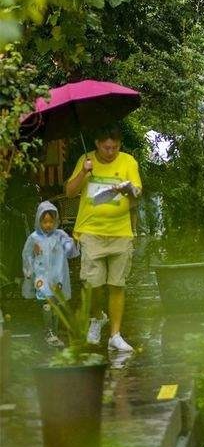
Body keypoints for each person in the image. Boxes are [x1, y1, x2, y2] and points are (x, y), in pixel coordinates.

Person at [65, 124, 142, 353]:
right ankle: (98, 317)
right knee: (92, 284)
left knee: (117, 284)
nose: (111, 152)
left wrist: (128, 189)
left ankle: (115, 335)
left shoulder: (128, 161)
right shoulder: (85, 160)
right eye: (107, 147)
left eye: (115, 147)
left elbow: (138, 192)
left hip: (120, 231)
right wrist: (84, 172)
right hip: (91, 231)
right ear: (98, 144)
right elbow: (69, 191)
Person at [22, 201, 79, 346]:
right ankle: (48, 331)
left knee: (56, 303)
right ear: (39, 221)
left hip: (57, 277)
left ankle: (53, 330)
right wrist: (28, 270)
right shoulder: (34, 238)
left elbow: (70, 250)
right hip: (41, 278)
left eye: (51, 221)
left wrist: (75, 241)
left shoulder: (60, 235)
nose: (48, 225)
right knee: (47, 303)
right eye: (44, 221)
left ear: (56, 221)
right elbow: (27, 254)